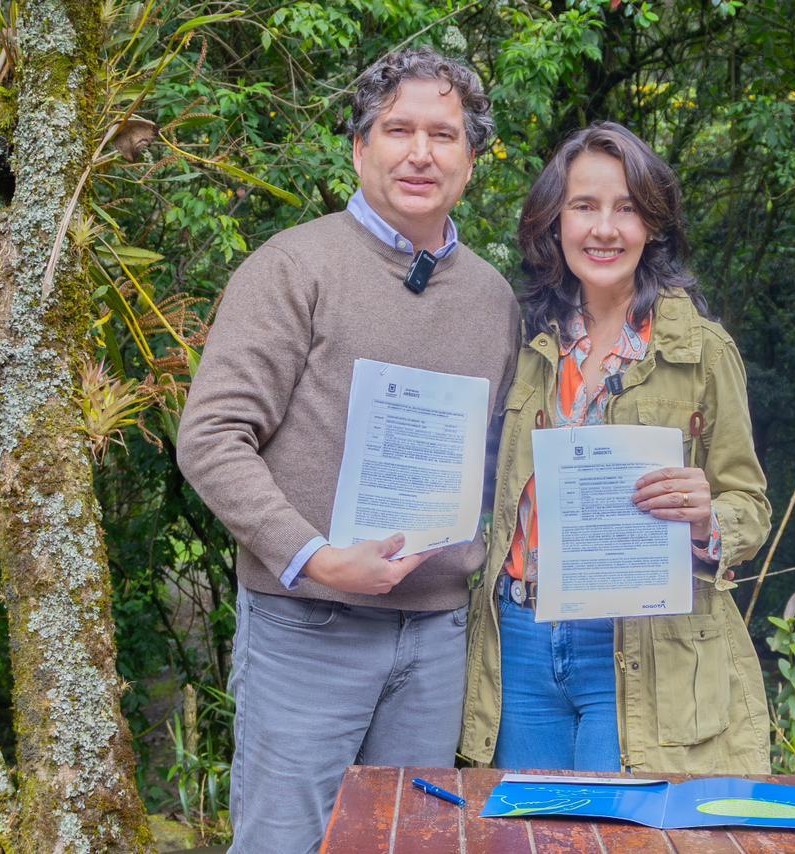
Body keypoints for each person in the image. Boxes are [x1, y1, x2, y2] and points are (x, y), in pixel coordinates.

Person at [177, 48, 519, 852]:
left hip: (436, 636)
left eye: (444, 133)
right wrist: (318, 558)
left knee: (407, 843)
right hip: (308, 626)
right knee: (283, 844)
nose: (420, 152)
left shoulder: (492, 298)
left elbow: (497, 458)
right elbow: (212, 435)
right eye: (398, 129)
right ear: (360, 148)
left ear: (471, 159)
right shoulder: (295, 267)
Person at [459, 122, 772, 775]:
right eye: (585, 206)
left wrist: (705, 517)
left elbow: (750, 505)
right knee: (531, 842)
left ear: (653, 225)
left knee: (622, 837)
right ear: (554, 221)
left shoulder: (703, 352)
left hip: (643, 644)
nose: (605, 229)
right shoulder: (521, 341)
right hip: (520, 638)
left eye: (626, 208)